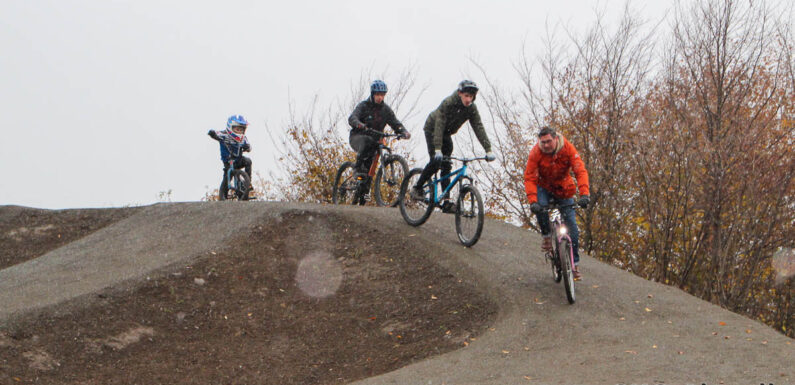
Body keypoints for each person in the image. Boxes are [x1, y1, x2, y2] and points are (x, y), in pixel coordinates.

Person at [410, 80, 495, 213]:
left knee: (447, 165)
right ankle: (418, 187)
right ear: (460, 93)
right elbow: (439, 125)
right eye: (466, 96)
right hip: (433, 129)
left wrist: (488, 149)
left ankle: (446, 202)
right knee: (436, 161)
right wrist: (437, 148)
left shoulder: (471, 108)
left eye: (471, 97)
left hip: (446, 133)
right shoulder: (448, 103)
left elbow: (478, 127)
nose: (468, 99)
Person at [524, 126, 590, 279]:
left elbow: (580, 170)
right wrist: (533, 201)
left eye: (548, 141)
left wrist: (584, 194)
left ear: (555, 139)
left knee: (572, 226)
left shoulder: (567, 148)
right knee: (540, 208)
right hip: (544, 186)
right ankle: (546, 236)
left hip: (563, 188)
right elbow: (530, 177)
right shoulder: (536, 152)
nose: (545, 145)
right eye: (542, 142)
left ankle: (574, 264)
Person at [348, 80, 411, 201]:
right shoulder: (364, 106)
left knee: (371, 165)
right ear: (373, 94)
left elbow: (395, 123)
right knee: (366, 142)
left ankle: (362, 193)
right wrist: (360, 124)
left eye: (382, 95)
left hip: (375, 141)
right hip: (357, 137)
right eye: (378, 94)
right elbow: (352, 118)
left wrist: (403, 132)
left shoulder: (385, 110)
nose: (380, 97)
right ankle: (357, 168)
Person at [208, 115, 252, 199]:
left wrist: (247, 148)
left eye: (241, 130)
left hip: (238, 160)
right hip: (228, 161)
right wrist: (212, 133)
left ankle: (247, 183)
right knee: (227, 176)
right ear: (230, 127)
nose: (239, 132)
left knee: (248, 161)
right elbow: (216, 134)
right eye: (237, 129)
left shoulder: (243, 139)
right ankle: (223, 195)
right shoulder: (224, 135)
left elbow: (249, 147)